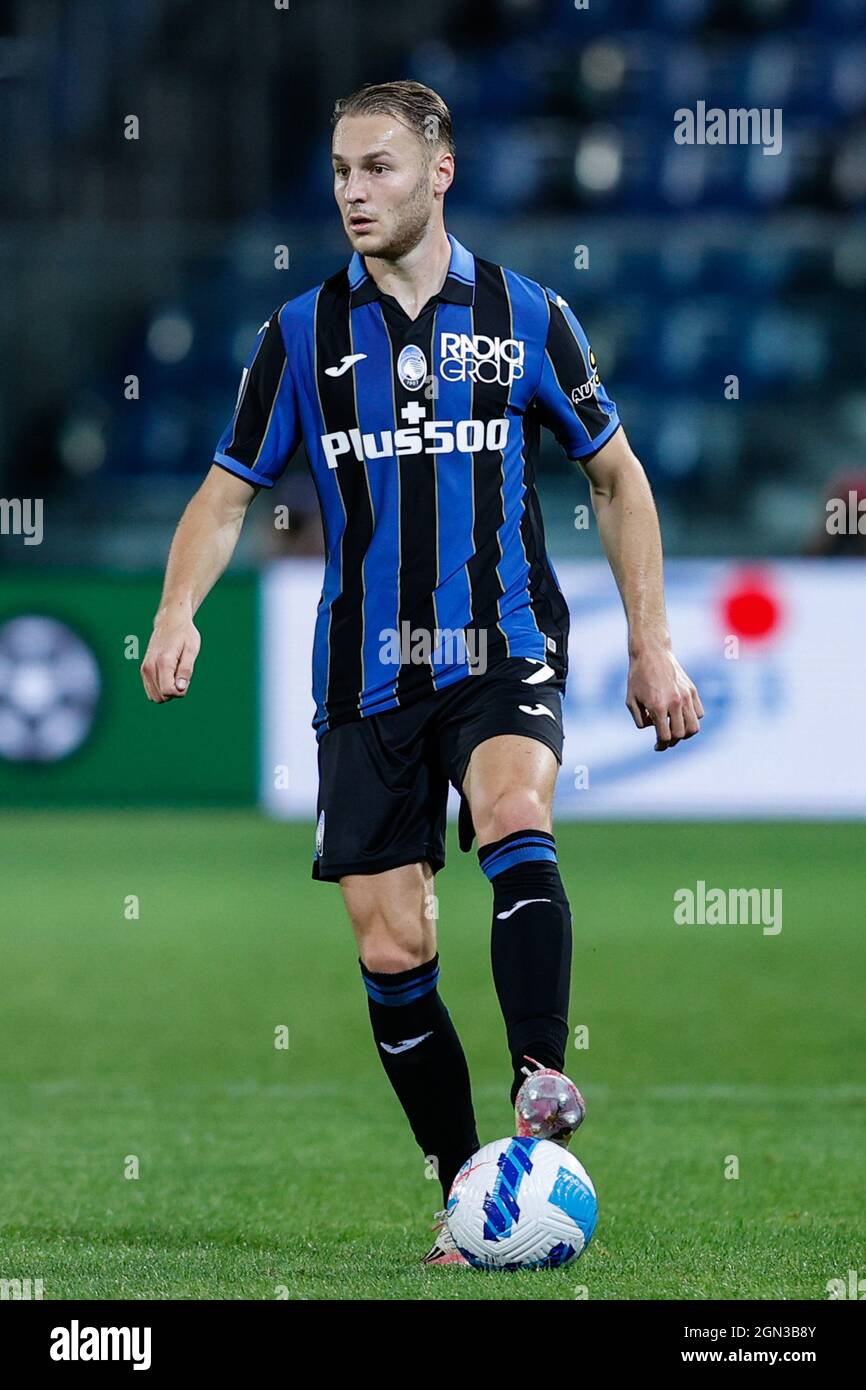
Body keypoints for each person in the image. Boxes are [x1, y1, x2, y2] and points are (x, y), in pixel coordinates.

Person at [141, 80, 703, 1265]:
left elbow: (617, 477)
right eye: (342, 171)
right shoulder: (295, 335)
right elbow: (226, 488)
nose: (354, 191)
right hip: (364, 673)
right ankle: (466, 1192)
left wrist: (651, 642)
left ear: (439, 172)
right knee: (393, 948)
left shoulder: (525, 315)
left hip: (498, 644)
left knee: (513, 810)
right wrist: (176, 608)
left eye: (379, 169)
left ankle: (540, 1074)